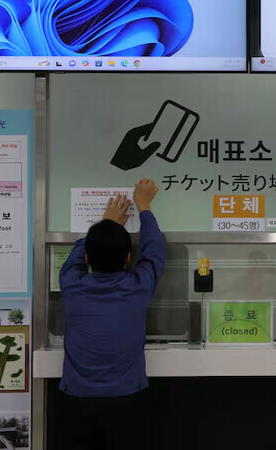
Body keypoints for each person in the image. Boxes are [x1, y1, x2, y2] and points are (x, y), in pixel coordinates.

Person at [58, 178, 164, 450]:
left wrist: (107, 223)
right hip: (126, 401)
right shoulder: (139, 286)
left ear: (87, 259)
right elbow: (154, 249)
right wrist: (144, 206)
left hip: (76, 401)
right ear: (129, 258)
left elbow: (77, 256)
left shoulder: (71, 284)